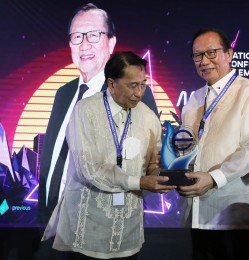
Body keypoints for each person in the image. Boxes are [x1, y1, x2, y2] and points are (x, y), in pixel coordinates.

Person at [41, 51, 176, 259]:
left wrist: (162, 175)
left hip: (128, 231)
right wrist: (140, 182)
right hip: (87, 230)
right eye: (133, 85)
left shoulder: (149, 118)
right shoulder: (85, 111)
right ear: (112, 84)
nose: (140, 93)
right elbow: (90, 170)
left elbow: (153, 162)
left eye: (143, 84)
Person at [38, 3, 159, 224]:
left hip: (105, 224)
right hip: (52, 223)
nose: (84, 44)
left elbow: (149, 159)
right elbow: (52, 159)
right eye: (77, 37)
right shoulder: (62, 94)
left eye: (93, 35)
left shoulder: (133, 92)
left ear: (111, 43)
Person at [178, 28, 249, 260]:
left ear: (229, 54)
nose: (204, 61)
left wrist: (213, 178)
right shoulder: (194, 98)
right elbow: (186, 147)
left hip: (236, 208)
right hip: (199, 208)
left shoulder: (248, 91)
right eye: (198, 55)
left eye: (211, 53)